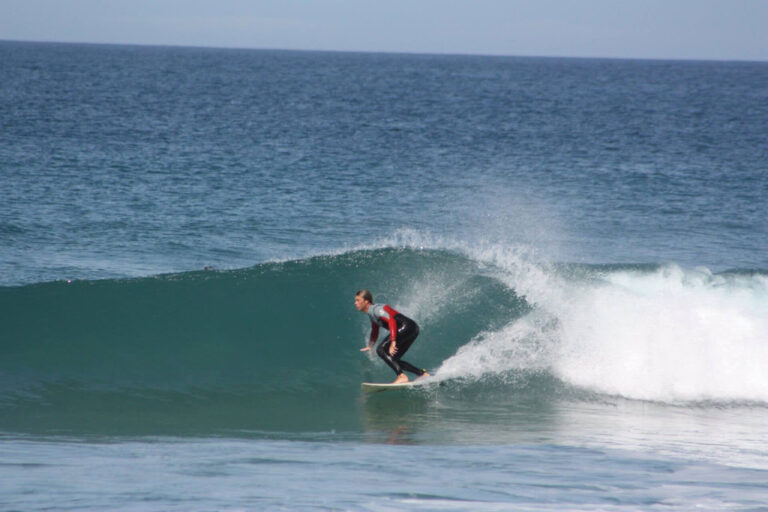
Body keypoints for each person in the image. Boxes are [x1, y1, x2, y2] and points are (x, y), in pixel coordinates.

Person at [355, 289, 429, 384]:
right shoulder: (371, 313)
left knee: (381, 350)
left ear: (366, 301)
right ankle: (421, 374)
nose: (355, 303)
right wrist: (370, 345)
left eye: (358, 300)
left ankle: (401, 376)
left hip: (407, 327)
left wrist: (393, 342)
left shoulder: (376, 310)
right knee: (393, 360)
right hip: (412, 328)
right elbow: (375, 330)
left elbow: (391, 320)